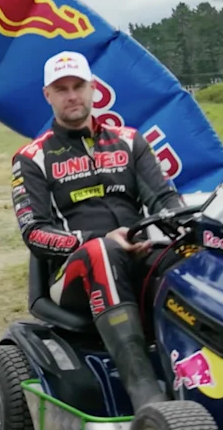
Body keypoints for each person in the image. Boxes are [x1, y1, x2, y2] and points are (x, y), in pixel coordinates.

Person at [10, 51, 186, 411]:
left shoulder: (131, 141)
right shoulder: (31, 157)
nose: (72, 95)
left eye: (78, 86)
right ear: (48, 95)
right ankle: (146, 399)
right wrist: (99, 240)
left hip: (136, 255)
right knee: (102, 254)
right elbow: (35, 234)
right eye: (62, 89)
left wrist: (189, 229)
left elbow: (166, 200)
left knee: (186, 254)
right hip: (71, 275)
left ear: (93, 90)